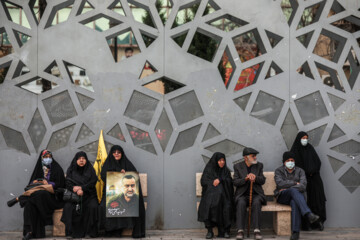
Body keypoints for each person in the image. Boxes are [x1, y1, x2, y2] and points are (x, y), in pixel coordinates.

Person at [7, 150, 65, 240]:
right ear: (42, 158)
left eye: (49, 157)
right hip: (38, 197)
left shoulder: (57, 168)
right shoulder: (39, 169)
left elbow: (61, 184)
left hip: (53, 197)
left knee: (41, 193)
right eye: (45, 157)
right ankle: (30, 232)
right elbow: (30, 185)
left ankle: (20, 199)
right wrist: (35, 181)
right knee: (29, 205)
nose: (48, 159)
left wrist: (48, 183)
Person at [99, 145, 145, 238]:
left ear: (122, 154)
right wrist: (116, 173)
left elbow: (133, 176)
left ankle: (118, 230)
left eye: (119, 152)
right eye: (114, 152)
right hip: (110, 194)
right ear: (111, 154)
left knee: (122, 203)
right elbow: (103, 176)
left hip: (125, 195)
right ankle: (109, 230)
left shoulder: (127, 163)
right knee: (105, 205)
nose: (116, 154)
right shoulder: (107, 163)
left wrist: (126, 173)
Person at [274, 152, 320, 240]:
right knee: (293, 190)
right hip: (283, 196)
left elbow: (303, 186)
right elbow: (280, 184)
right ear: (284, 162)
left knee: (294, 202)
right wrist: (295, 183)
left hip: (296, 198)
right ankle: (308, 214)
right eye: (288, 160)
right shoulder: (278, 171)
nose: (290, 162)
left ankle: (295, 233)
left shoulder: (300, 171)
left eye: (292, 160)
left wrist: (287, 187)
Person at [290, 132, 326, 231]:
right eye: (303, 138)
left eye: (306, 138)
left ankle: (319, 223)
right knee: (306, 200)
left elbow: (318, 162)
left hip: (315, 179)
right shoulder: (295, 150)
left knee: (318, 200)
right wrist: (305, 173)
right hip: (303, 180)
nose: (305, 140)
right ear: (299, 139)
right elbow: (294, 166)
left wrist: (313, 171)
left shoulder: (310, 148)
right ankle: (306, 225)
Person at [61, 151, 98, 238]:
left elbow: (93, 182)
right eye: (79, 159)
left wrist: (82, 189)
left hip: (89, 195)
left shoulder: (90, 169)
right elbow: (67, 182)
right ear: (76, 160)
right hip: (74, 196)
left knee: (93, 207)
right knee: (68, 207)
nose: (81, 160)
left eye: (83, 158)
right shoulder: (71, 170)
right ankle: (70, 233)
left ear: (86, 160)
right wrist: (74, 189)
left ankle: (89, 232)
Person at [198, 152, 233, 239]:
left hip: (224, 197)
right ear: (215, 161)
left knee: (227, 205)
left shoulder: (225, 170)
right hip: (210, 196)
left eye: (223, 160)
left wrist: (221, 179)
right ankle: (210, 230)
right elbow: (203, 181)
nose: (222, 162)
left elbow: (229, 181)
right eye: (220, 160)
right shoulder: (209, 169)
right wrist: (212, 182)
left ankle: (226, 230)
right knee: (207, 204)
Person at [233, 147, 266, 240]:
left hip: (256, 194)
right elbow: (235, 182)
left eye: (255, 156)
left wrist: (255, 177)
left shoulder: (259, 165)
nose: (255, 157)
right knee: (240, 202)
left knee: (256, 202)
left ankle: (257, 230)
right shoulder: (237, 166)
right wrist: (245, 179)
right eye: (253, 156)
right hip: (242, 195)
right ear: (245, 157)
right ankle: (240, 230)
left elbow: (262, 180)